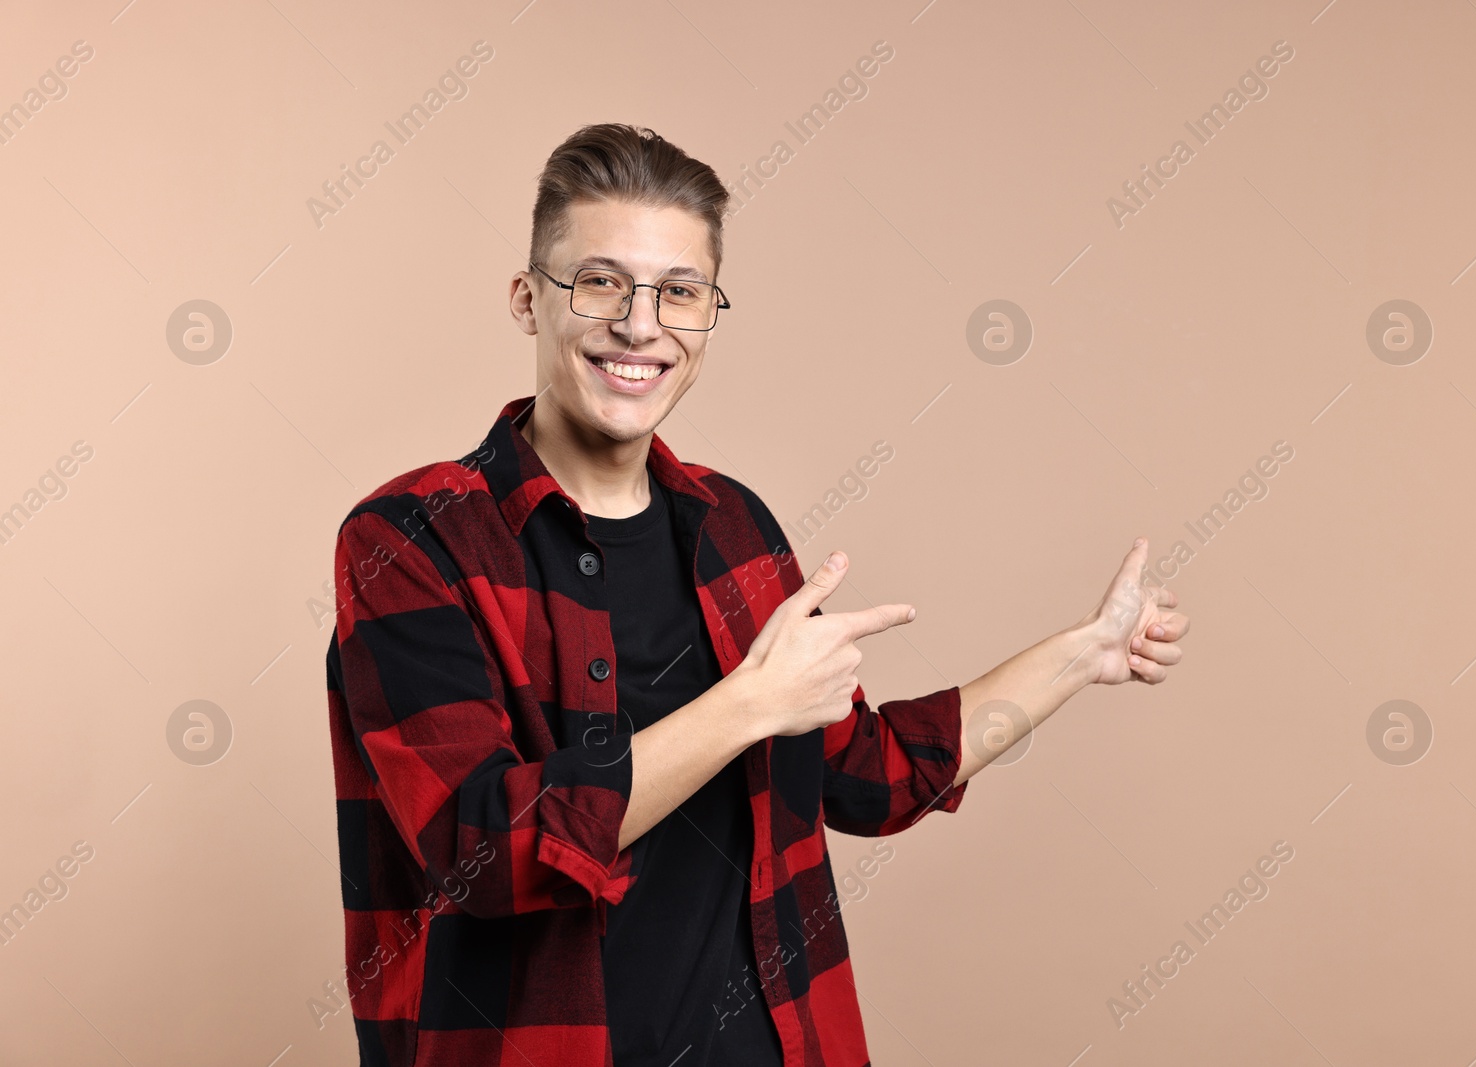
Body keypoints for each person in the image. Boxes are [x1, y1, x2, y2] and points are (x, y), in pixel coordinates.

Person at [323, 122, 1189, 1067]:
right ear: (530, 299)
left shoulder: (732, 528)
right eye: (601, 281)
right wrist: (747, 705)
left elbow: (868, 774)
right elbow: (480, 847)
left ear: (707, 316)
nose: (641, 325)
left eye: (680, 292)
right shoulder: (412, 537)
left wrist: (1084, 654)